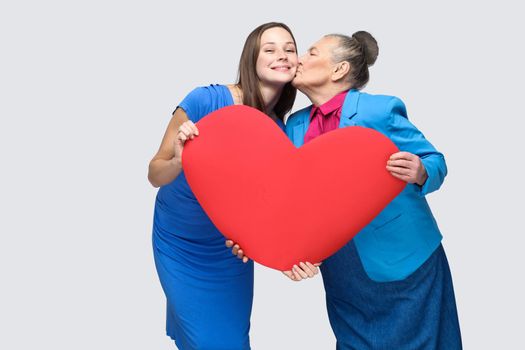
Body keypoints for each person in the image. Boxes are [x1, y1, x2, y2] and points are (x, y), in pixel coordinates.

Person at [231, 31, 462, 349]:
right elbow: (283, 195)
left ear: (338, 70)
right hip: (342, 269)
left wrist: (422, 171)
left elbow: (435, 160)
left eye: (311, 53)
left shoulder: (378, 110)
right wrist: (268, 244)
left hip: (405, 260)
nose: (299, 59)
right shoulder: (295, 125)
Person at [148, 22, 299, 349]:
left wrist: (287, 252)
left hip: (229, 253)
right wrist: (178, 159)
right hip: (180, 241)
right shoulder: (206, 99)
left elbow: (267, 208)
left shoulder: (279, 133)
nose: (282, 56)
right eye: (270, 49)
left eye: (289, 49)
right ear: (252, 59)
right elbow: (155, 172)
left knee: (230, 340)